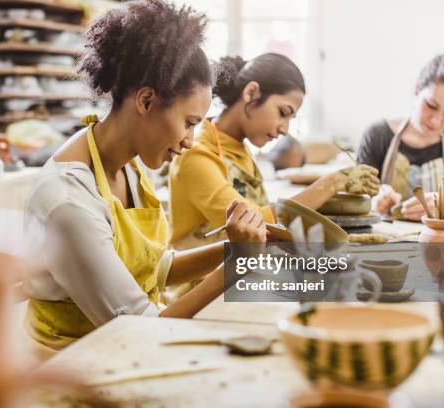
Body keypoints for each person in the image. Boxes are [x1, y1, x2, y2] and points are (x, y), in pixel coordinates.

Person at [22, 0, 266, 355]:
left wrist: (238, 249)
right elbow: (139, 328)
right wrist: (236, 267)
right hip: (68, 368)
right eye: (188, 123)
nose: (189, 141)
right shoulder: (68, 201)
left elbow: (154, 268)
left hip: (122, 350)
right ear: (147, 101)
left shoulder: (130, 165)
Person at [169, 54, 380, 250]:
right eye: (282, 113)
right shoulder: (196, 155)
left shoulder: (238, 149)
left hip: (238, 270)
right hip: (201, 284)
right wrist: (331, 183)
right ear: (251, 93)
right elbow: (256, 222)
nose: (285, 129)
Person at [358, 50, 444, 220]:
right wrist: (374, 200)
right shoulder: (377, 135)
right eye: (431, 105)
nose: (435, 121)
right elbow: (356, 199)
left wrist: (443, 205)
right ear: (417, 89)